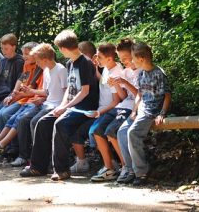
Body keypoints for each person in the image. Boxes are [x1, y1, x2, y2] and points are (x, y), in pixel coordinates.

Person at [117, 42, 171, 186]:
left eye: (133, 58)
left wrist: (162, 113)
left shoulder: (158, 73)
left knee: (132, 133)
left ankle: (141, 172)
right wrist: (134, 110)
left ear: (141, 58)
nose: (132, 61)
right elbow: (139, 95)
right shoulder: (141, 73)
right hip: (140, 110)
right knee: (122, 132)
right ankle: (130, 169)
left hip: (151, 111)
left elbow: (167, 95)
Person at [50, 30, 99, 181]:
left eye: (59, 49)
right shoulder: (70, 63)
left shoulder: (85, 63)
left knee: (60, 124)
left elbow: (85, 91)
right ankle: (55, 167)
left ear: (64, 48)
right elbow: (71, 90)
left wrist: (66, 107)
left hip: (86, 107)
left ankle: (62, 170)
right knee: (50, 122)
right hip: (74, 106)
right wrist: (62, 106)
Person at [0, 42, 43, 156]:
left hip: (28, 99)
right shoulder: (26, 64)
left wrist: (17, 95)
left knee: (4, 114)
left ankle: (12, 148)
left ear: (35, 54)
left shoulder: (39, 67)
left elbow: (32, 88)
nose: (24, 56)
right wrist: (14, 93)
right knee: (0, 115)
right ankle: (1, 146)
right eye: (23, 53)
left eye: (27, 54)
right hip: (22, 97)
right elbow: (21, 79)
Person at [16, 43, 68, 173]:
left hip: (55, 106)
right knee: (23, 120)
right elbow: (46, 92)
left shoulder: (61, 70)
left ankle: (41, 163)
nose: (37, 63)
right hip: (45, 103)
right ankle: (32, 157)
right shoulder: (46, 70)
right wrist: (31, 90)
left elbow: (66, 91)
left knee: (36, 122)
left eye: (38, 60)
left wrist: (63, 107)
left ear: (45, 59)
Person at [83, 43, 124, 181]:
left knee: (96, 130)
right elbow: (103, 81)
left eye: (99, 57)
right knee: (94, 130)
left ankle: (112, 167)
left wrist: (99, 112)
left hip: (111, 109)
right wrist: (96, 68)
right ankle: (110, 165)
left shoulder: (115, 72)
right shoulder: (107, 68)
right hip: (104, 109)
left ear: (110, 58)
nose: (97, 59)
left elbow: (116, 101)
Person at [0, 33, 24, 140]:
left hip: (10, 95)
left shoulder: (19, 61)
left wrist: (12, 95)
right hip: (0, 95)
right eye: (2, 48)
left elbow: (20, 81)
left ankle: (5, 147)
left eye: (6, 48)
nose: (3, 51)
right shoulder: (2, 61)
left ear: (14, 46)